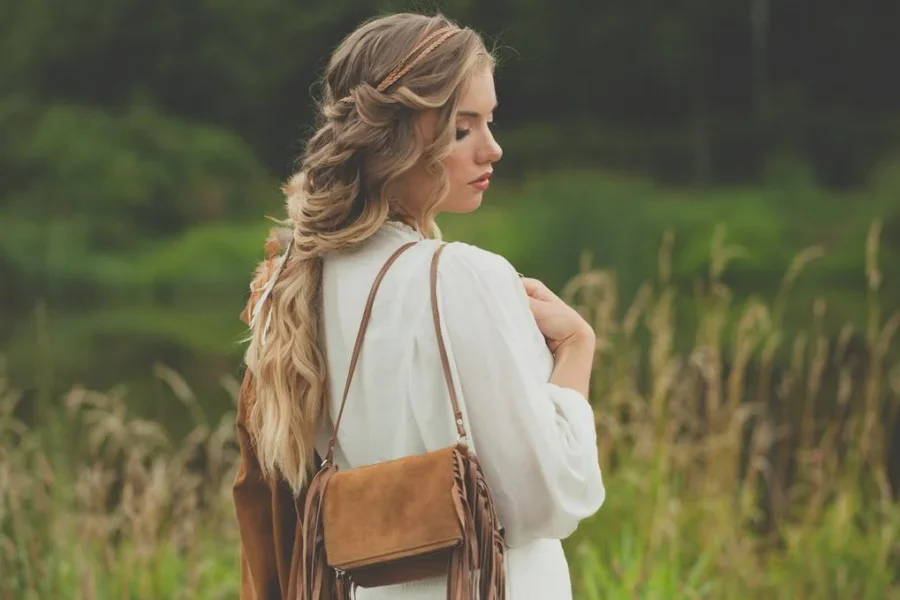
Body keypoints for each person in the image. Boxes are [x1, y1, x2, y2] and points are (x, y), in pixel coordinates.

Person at [232, 12, 605, 600]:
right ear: (399, 140)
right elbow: (552, 496)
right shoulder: (461, 277)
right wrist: (578, 348)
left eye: (490, 121)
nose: (494, 148)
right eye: (463, 129)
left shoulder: (292, 282)